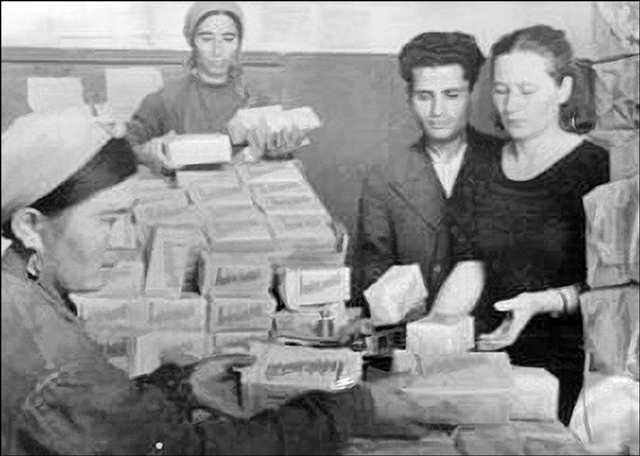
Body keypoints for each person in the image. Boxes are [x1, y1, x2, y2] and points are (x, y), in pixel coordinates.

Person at [0, 106, 431, 455]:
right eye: (107, 221)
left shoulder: (21, 290)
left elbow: (95, 422)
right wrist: (350, 411)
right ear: (29, 226)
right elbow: (186, 451)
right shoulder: (55, 362)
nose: (118, 244)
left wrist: (180, 387)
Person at [429, 25, 610, 425]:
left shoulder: (599, 169)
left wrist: (542, 301)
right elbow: (472, 264)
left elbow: (618, 292)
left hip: (573, 372)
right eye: (501, 90)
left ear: (563, 89)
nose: (511, 105)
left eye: (527, 91)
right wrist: (432, 334)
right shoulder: (479, 166)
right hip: (491, 358)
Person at [349, 32, 502, 315]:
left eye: (451, 95)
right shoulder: (384, 178)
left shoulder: (507, 161)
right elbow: (372, 279)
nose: (436, 111)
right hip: (413, 333)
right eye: (424, 96)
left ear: (473, 93)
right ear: (409, 98)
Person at [127, 1, 305, 172]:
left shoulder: (256, 98)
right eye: (206, 39)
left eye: (228, 39)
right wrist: (146, 153)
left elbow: (274, 162)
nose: (217, 50)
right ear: (192, 41)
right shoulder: (166, 98)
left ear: (239, 43)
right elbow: (127, 145)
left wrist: (279, 150)